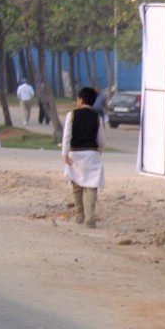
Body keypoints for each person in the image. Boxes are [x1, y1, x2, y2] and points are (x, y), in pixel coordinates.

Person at [61, 86, 105, 228]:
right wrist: (98, 152)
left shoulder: (72, 115)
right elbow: (102, 140)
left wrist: (64, 154)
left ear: (80, 100)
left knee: (76, 185)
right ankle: (90, 218)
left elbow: (67, 136)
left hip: (75, 153)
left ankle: (79, 214)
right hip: (92, 153)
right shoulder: (97, 117)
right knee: (92, 186)